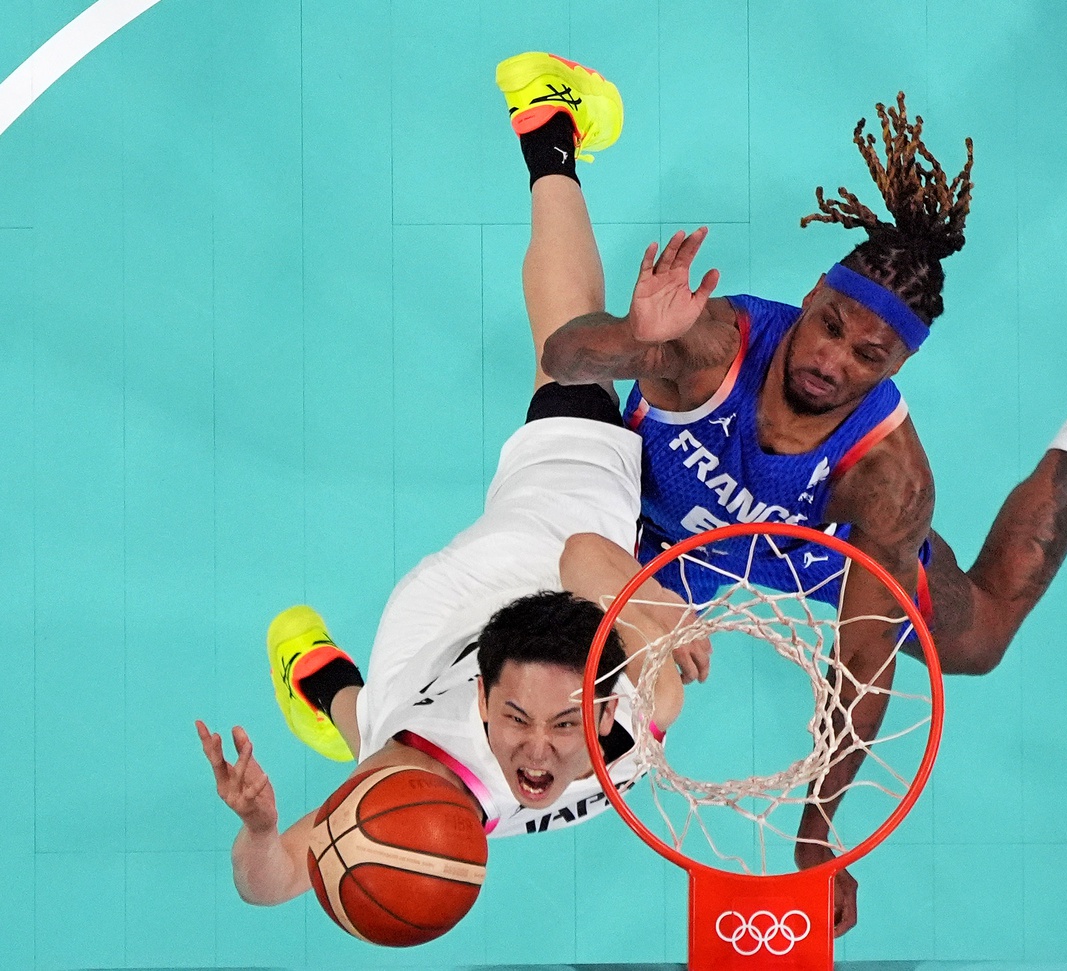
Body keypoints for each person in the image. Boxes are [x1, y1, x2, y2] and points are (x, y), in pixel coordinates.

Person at [494, 52, 1067, 936]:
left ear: (900, 366)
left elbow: (863, 664)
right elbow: (567, 360)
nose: (829, 359)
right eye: (829, 326)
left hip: (808, 548)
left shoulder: (889, 482)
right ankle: (551, 132)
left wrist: (820, 834)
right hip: (645, 517)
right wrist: (634, 336)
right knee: (548, 548)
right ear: (808, 299)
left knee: (983, 635)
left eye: (866, 358)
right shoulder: (711, 346)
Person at [194, 73, 703, 900]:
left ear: (600, 713)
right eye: (525, 721)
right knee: (369, 725)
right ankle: (316, 674)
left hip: (486, 580)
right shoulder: (649, 704)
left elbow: (271, 881)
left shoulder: (416, 760)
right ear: (484, 696)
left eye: (565, 721)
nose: (539, 753)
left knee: (574, 351)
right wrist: (645, 621)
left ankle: (549, 126)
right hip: (488, 655)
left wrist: (259, 829)